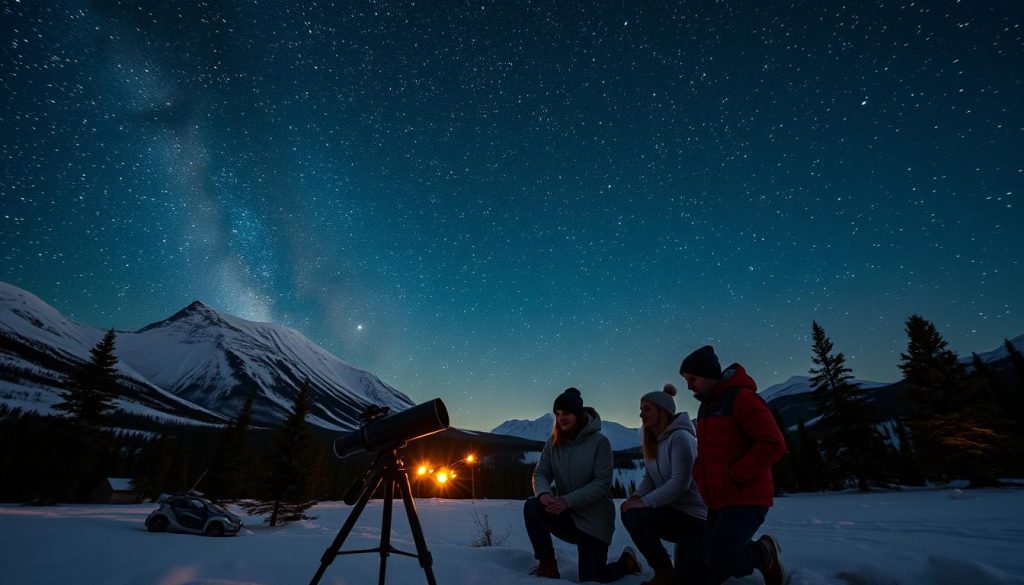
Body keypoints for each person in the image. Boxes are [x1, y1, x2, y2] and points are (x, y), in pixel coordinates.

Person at [680, 345, 787, 585]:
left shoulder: (741, 398)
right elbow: (709, 451)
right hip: (719, 498)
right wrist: (700, 473)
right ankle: (752, 555)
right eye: (686, 380)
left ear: (707, 374)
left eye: (692, 379)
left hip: (745, 496)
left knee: (718, 559)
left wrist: (735, 475)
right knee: (704, 570)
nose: (688, 386)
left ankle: (764, 553)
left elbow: (773, 443)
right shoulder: (707, 405)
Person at [525, 387, 642, 582]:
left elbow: (602, 484)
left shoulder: (600, 442)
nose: (561, 418)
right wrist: (544, 493)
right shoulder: (553, 444)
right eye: (558, 414)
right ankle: (547, 565)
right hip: (568, 516)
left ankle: (627, 562)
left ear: (579, 414)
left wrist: (567, 501)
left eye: (567, 413)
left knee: (591, 578)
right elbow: (541, 473)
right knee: (533, 506)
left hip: (595, 522)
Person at [620, 383, 708, 585]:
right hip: (674, 514)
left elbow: (680, 484)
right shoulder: (653, 441)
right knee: (630, 513)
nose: (641, 414)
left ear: (663, 411)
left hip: (696, 518)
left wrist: (644, 503)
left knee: (692, 579)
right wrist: (635, 497)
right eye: (640, 410)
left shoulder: (681, 437)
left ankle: (759, 550)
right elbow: (650, 479)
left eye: (646, 409)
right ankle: (664, 572)